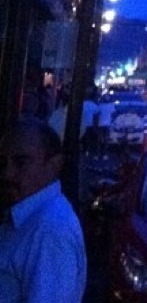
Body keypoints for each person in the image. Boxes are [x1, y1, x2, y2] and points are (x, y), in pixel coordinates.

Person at [0, 117, 87, 302]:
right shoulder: (26, 217)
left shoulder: (51, 231)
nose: (7, 173)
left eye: (21, 162)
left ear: (54, 165)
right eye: (2, 163)